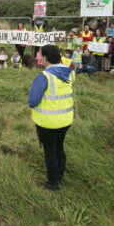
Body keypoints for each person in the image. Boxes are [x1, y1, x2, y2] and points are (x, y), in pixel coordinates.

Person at [28, 45, 75, 191]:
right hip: (66, 119)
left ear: (45, 58)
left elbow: (33, 101)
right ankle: (59, 176)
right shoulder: (70, 73)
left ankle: (52, 183)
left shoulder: (44, 76)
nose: (40, 58)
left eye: (41, 55)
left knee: (50, 152)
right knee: (59, 148)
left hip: (48, 122)